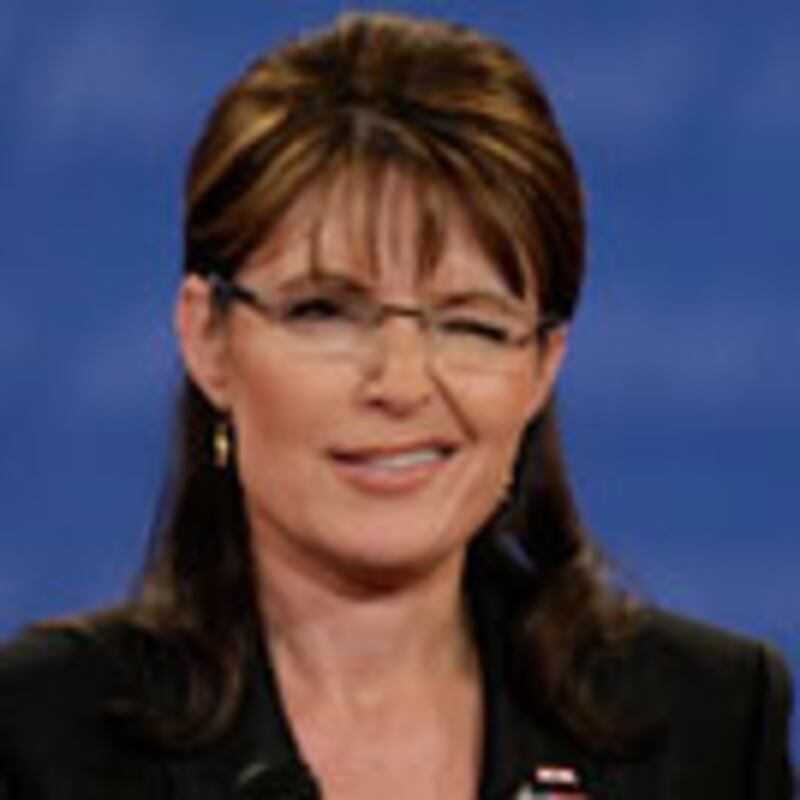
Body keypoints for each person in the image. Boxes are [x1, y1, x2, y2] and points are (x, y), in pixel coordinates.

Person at [0, 11, 793, 799]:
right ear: (208, 338)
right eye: (326, 312)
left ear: (542, 365)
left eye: (471, 324)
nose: (403, 384)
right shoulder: (39, 736)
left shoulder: (708, 726)